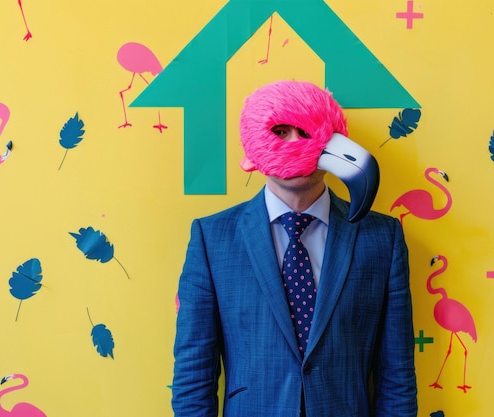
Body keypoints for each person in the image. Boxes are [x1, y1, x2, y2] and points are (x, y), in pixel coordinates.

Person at [172, 80, 417, 417]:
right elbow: (193, 375)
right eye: (281, 131)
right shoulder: (211, 239)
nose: (294, 144)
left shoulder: (381, 238)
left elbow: (397, 375)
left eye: (305, 132)